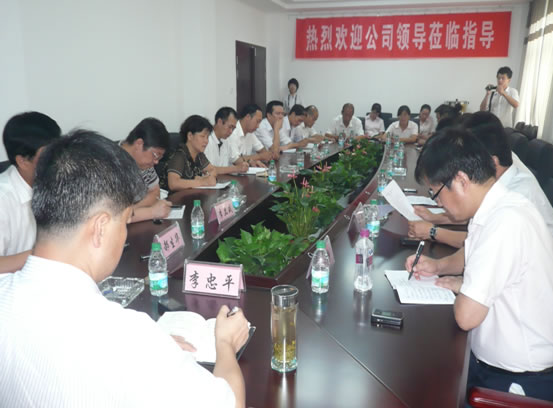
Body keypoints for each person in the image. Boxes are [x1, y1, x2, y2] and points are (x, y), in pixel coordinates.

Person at [0, 130, 250, 407]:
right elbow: (232, 402)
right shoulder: (128, 339)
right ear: (100, 228)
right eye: (125, 220)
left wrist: (155, 350)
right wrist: (224, 344)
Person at [405, 127, 553, 402]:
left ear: (461, 180)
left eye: (436, 193)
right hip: (495, 365)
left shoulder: (505, 220)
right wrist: (441, 270)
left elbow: (466, 316)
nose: (438, 203)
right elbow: (475, 256)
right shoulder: (496, 206)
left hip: (517, 382)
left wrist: (465, 287)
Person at [408, 112, 553, 246]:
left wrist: (433, 231)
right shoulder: (500, 174)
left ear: (490, 162)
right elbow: (472, 219)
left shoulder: (516, 196)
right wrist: (435, 218)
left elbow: (479, 241)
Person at [0, 111, 61, 274]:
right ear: (23, 161)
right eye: (48, 155)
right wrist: (45, 253)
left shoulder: (55, 182)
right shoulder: (3, 199)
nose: (58, 161)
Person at [120, 118, 172, 222]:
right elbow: (113, 217)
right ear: (139, 144)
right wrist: (152, 212)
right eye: (155, 155)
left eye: (159, 157)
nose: (156, 162)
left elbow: (155, 192)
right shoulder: (110, 163)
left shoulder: (145, 164)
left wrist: (132, 210)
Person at [161, 115, 217, 191]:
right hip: (173, 197)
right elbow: (173, 184)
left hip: (192, 195)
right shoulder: (179, 155)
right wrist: (202, 182)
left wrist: (207, 177)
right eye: (202, 136)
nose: (206, 141)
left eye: (207, 137)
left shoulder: (199, 155)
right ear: (190, 136)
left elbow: (212, 170)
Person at [204, 107, 249, 175]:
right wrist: (235, 168)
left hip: (223, 179)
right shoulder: (205, 139)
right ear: (219, 122)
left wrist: (245, 164)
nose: (231, 132)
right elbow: (207, 169)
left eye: (233, 129)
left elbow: (235, 158)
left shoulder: (227, 139)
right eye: (230, 127)